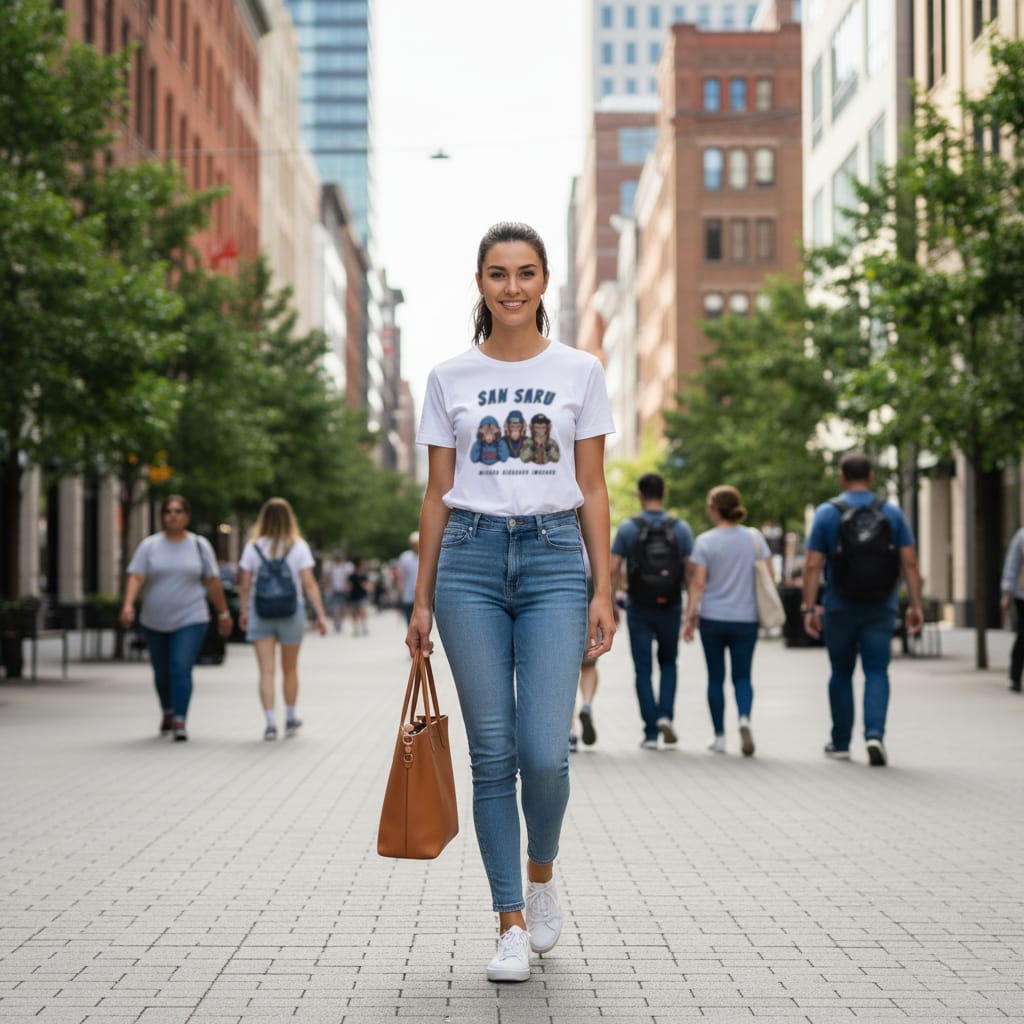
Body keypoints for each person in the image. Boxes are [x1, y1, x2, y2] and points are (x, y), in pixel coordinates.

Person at [406, 221, 616, 984]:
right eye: (498, 274)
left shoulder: (580, 370)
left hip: (556, 559)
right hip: (469, 562)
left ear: (544, 281)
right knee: (492, 753)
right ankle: (510, 924)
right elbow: (437, 492)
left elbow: (593, 485)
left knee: (544, 755)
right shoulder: (448, 377)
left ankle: (542, 872)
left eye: (526, 273)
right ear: (480, 284)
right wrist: (420, 600)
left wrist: (604, 587)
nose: (513, 287)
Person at [802, 452, 923, 766]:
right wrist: (915, 604)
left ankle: (841, 742)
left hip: (839, 606)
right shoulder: (891, 512)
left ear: (842, 477)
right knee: (877, 671)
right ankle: (874, 735)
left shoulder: (827, 513)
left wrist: (809, 607)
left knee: (840, 672)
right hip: (881, 606)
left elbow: (813, 564)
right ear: (871, 476)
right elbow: (909, 561)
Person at [120, 495, 233, 742]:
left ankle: (180, 719)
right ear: (162, 516)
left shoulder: (199, 545)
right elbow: (136, 576)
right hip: (154, 619)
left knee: (180, 666)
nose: (173, 515)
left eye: (179, 511)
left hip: (191, 617)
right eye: (168, 511)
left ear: (187, 516)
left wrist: (223, 613)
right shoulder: (150, 546)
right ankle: (168, 711)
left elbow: (213, 581)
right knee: (161, 671)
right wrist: (128, 605)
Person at [682, 486, 771, 757]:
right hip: (746, 617)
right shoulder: (754, 538)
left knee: (715, 678)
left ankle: (719, 737)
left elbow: (698, 584)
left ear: (714, 509)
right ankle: (744, 718)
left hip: (713, 618)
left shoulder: (705, 541)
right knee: (743, 676)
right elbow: (769, 576)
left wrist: (689, 617)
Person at [610, 472, 693, 749]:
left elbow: (613, 568)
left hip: (639, 606)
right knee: (668, 663)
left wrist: (610, 603)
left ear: (640, 495)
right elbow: (692, 572)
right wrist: (691, 609)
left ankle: (650, 732)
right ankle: (665, 715)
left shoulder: (628, 528)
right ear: (664, 493)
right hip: (671, 605)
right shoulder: (680, 528)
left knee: (642, 670)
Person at [237, 497, 328, 741]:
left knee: (266, 671)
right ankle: (289, 718)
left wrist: (244, 612)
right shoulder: (298, 547)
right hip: (291, 612)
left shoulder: (252, 547)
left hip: (261, 611)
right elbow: (309, 583)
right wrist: (320, 614)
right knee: (290, 669)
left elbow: (245, 584)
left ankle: (269, 724)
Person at [569, 548, 600, 752]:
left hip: (560, 591)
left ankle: (570, 731)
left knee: (563, 670)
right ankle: (587, 704)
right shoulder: (589, 538)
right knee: (589, 664)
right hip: (589, 595)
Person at [999, 527, 1024, 692]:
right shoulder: (1021, 536)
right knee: (1023, 635)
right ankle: (1015, 676)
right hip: (1022, 595)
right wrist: (1007, 593)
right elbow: (1012, 566)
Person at [396, 533, 420, 625]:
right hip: (408, 596)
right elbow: (401, 578)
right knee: (410, 623)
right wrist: (399, 594)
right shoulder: (405, 557)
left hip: (423, 597)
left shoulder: (426, 556)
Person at [325, 553, 352, 633]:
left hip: (343, 591)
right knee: (335, 608)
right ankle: (336, 623)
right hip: (334, 590)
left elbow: (349, 576)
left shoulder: (345, 567)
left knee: (342, 608)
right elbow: (328, 578)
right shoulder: (332, 568)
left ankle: (340, 623)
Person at [347, 557, 370, 635]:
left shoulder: (363, 575)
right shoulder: (353, 576)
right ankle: (357, 629)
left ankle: (363, 627)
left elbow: (368, 586)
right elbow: (349, 587)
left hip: (361, 596)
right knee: (355, 613)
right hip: (354, 596)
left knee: (362, 611)